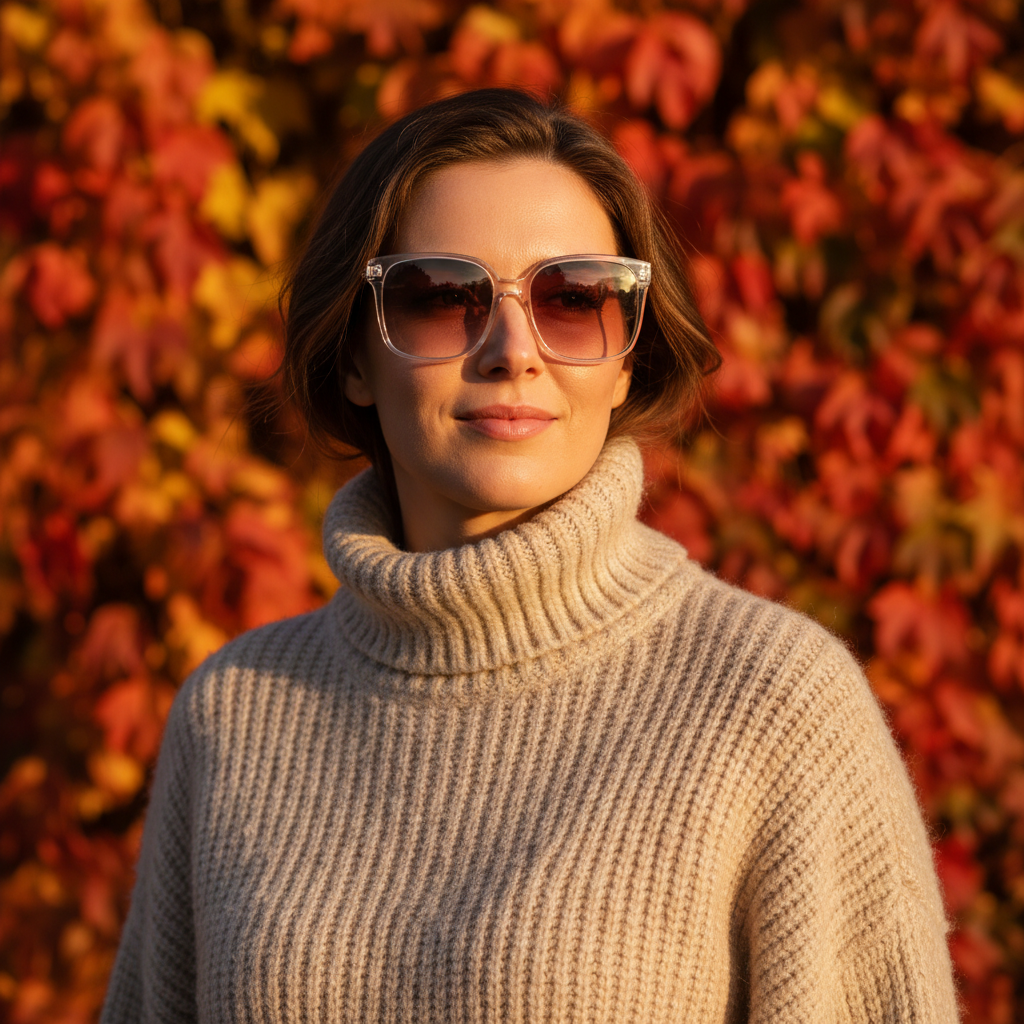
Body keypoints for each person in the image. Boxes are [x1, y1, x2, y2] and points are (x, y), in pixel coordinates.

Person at [100, 88, 959, 1023]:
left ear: (628, 353)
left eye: (576, 298)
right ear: (353, 354)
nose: (514, 350)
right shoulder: (235, 715)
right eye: (440, 298)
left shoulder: (772, 706)